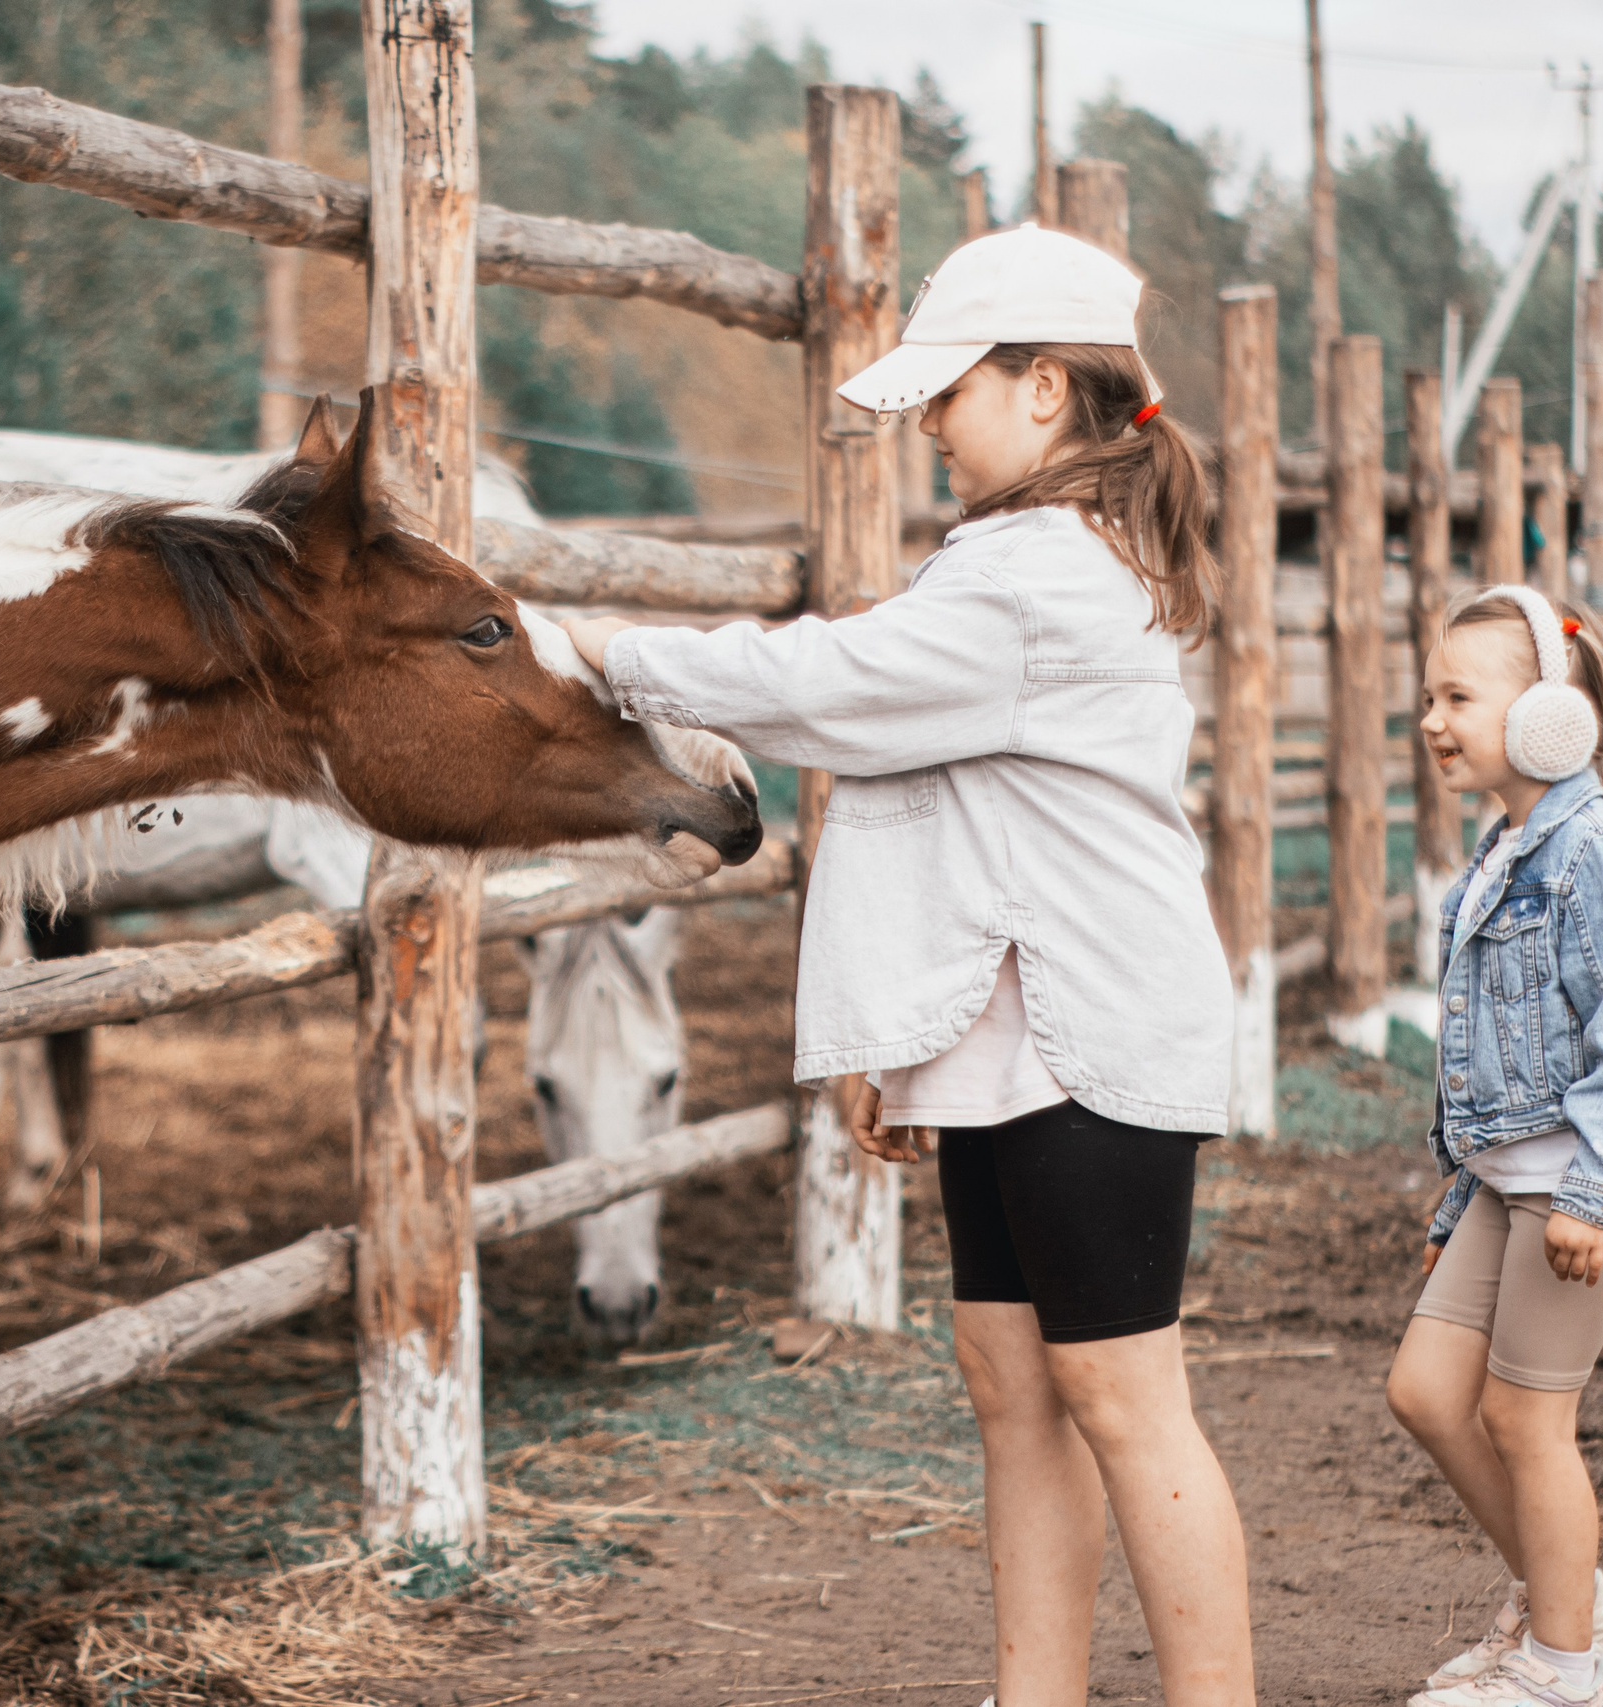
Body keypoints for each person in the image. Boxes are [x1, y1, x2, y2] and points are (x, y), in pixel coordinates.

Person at [565, 224, 1251, 1707]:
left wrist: (607, 652)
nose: (931, 420)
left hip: (1093, 1036)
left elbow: (825, 691)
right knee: (1015, 1389)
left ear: (1049, 393)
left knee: (1124, 1399)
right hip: (1019, 1027)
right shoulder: (1013, 561)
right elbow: (950, 817)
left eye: (951, 389)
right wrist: (905, 1038)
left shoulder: (1035, 580)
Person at [1385, 587, 1603, 1707]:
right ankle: (1571, 1601)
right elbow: (1482, 1068)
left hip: (1584, 1180)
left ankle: (1561, 1670)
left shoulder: (1589, 851)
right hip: (1504, 1178)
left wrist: (1592, 1189)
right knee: (1427, 1393)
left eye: (1456, 698)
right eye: (1426, 697)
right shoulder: (1504, 846)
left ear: (1547, 717)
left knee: (1525, 1417)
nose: (1430, 719)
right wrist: (1450, 1211)